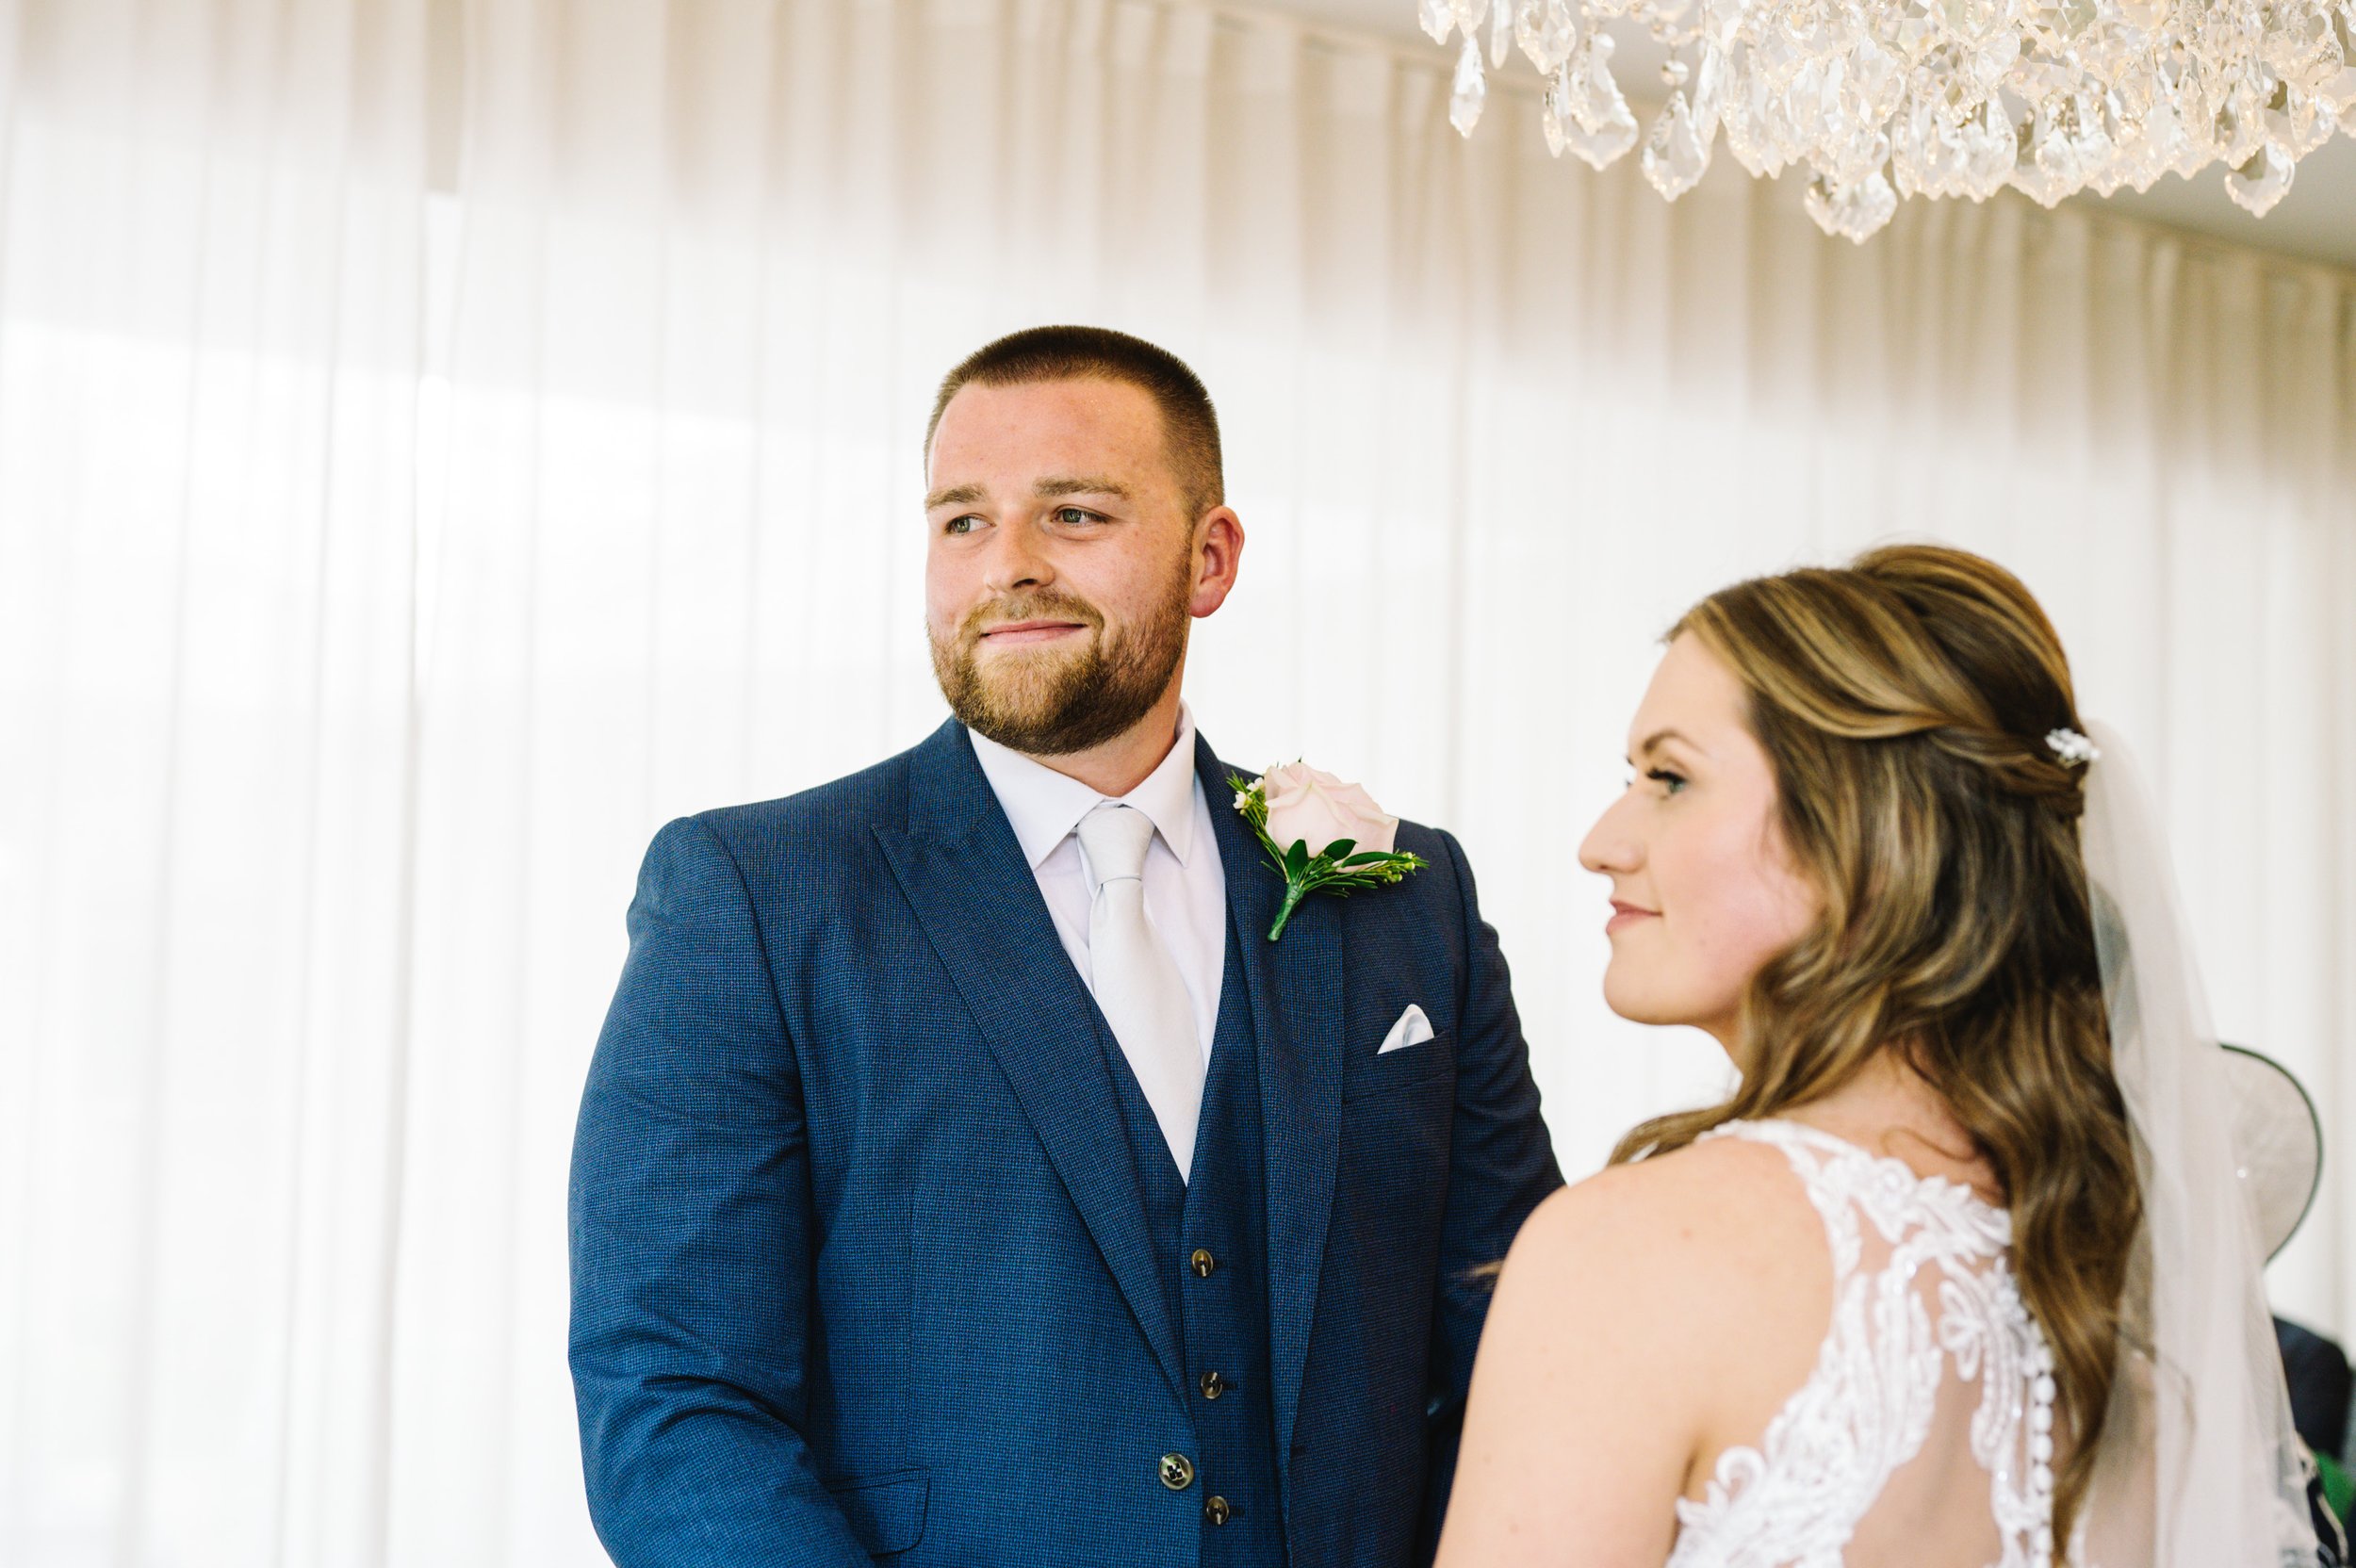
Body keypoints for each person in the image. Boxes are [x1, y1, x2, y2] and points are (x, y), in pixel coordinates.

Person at [567, 324, 1563, 1567]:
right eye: (962, 521)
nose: (1009, 567)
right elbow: (672, 1398)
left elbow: (1523, 1343)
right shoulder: (757, 895)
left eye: (1075, 514)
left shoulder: (1409, 902)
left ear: (1210, 558)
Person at [1436, 545, 2326, 1567]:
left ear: (1866, 832)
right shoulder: (2114, 1305)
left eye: (1670, 777)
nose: (1603, 840)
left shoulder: (1628, 1255)